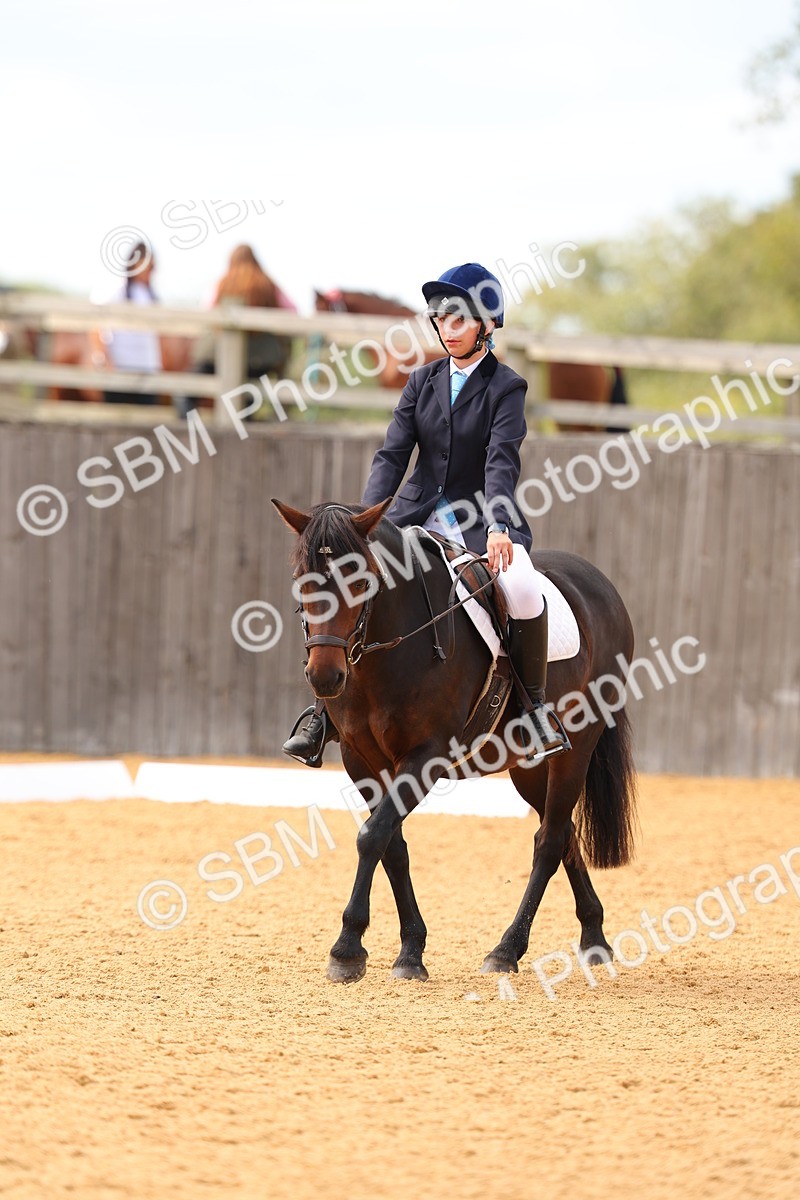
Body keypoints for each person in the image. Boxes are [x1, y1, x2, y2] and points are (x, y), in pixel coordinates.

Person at [284, 262, 571, 768]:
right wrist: (361, 523)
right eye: (441, 319)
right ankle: (321, 715)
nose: (448, 328)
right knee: (353, 588)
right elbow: (394, 455)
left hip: (483, 521)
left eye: (459, 319)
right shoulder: (420, 381)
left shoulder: (507, 387)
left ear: (486, 324)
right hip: (415, 518)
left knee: (524, 591)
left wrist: (501, 527)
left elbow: (500, 460)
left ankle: (535, 710)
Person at [178, 244, 295, 416]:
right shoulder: (267, 284)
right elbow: (292, 311)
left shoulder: (223, 283)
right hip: (259, 360)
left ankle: (190, 429)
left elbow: (207, 309)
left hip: (217, 356)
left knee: (185, 394)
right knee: (246, 402)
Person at [89, 241, 162, 404]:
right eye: (148, 267)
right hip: (119, 367)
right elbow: (96, 323)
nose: (151, 273)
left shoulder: (149, 294)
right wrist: (104, 358)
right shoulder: (117, 288)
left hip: (147, 369)